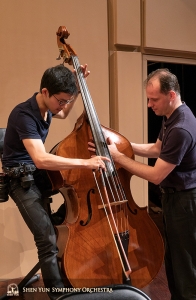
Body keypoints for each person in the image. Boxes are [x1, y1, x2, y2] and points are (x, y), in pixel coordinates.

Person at [2, 64, 110, 300]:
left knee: (64, 220)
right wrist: (86, 162)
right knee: (47, 239)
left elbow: (64, 113)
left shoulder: (48, 109)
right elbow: (40, 159)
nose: (62, 106)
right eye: (60, 100)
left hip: (36, 175)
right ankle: (57, 295)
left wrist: (77, 87)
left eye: (66, 100)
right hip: (19, 180)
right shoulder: (23, 115)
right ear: (45, 92)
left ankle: (67, 277)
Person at [89, 68, 196, 300]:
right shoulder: (172, 117)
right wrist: (120, 145)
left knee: (185, 266)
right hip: (175, 198)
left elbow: (156, 175)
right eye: (148, 98)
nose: (149, 104)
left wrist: (119, 158)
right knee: (174, 261)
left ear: (171, 95)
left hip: (186, 202)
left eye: (153, 99)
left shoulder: (181, 128)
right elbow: (157, 149)